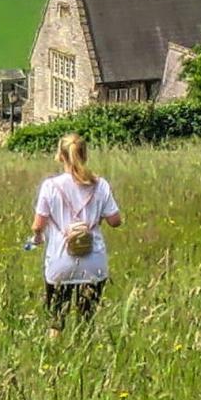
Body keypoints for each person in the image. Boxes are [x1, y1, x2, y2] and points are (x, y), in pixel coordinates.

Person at [31, 134, 122, 338]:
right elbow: (115, 221)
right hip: (93, 263)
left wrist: (37, 237)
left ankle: (55, 357)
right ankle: (86, 355)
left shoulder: (50, 186)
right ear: (85, 155)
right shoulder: (100, 185)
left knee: (56, 321)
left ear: (61, 156)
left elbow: (38, 224)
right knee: (87, 320)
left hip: (60, 261)